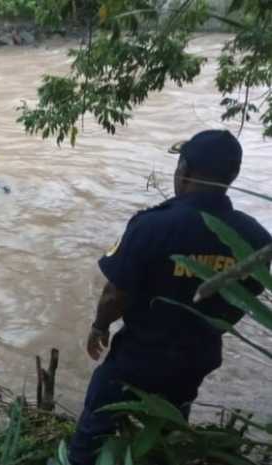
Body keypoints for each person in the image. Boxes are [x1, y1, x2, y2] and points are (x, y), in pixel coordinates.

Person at [67, 129, 272, 465]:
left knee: (96, 422)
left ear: (184, 170)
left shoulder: (152, 226)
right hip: (198, 356)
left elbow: (114, 293)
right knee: (170, 423)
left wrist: (99, 327)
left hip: (139, 354)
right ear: (232, 176)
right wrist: (212, 328)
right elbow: (251, 294)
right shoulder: (254, 236)